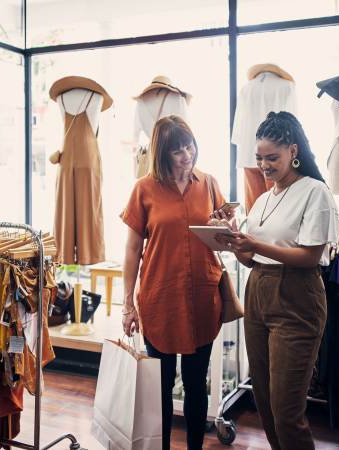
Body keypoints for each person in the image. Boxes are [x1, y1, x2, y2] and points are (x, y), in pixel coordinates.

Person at [215, 111, 339, 450]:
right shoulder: (264, 199)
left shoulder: (315, 192)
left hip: (297, 297)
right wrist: (232, 237)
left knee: (286, 410)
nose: (265, 165)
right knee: (266, 404)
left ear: (293, 151)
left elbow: (311, 257)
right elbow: (250, 258)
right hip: (258, 292)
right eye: (259, 158)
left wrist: (255, 244)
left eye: (273, 157)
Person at [120, 115, 234, 450]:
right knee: (162, 385)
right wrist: (128, 303)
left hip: (202, 297)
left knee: (198, 384)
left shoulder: (210, 184)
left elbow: (226, 237)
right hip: (160, 299)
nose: (187, 155)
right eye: (177, 151)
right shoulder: (143, 189)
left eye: (190, 146)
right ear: (162, 154)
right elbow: (131, 249)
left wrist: (225, 227)